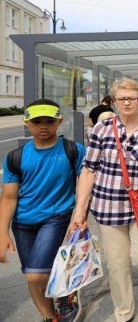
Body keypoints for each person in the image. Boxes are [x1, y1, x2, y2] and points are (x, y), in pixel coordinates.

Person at [70, 78, 138, 322]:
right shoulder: (100, 130)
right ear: (113, 101)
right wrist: (80, 210)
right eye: (121, 98)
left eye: (132, 98)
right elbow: (89, 169)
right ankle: (123, 313)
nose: (126, 102)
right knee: (116, 264)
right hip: (107, 205)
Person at [0, 99, 86, 322]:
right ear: (27, 122)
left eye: (49, 121)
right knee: (36, 276)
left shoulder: (73, 150)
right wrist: (2, 233)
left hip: (55, 217)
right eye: (37, 121)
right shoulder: (14, 158)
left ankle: (66, 294)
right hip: (23, 224)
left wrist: (81, 213)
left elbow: (87, 181)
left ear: (59, 121)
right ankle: (51, 317)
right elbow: (8, 198)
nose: (43, 126)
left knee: (34, 274)